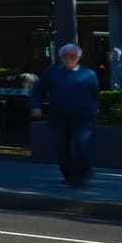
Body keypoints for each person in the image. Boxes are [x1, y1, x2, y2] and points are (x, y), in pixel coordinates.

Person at [31, 43, 101, 187]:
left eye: (72, 56)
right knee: (61, 148)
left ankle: (81, 175)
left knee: (81, 147)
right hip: (58, 117)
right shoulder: (51, 72)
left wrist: (93, 110)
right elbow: (38, 90)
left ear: (78, 58)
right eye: (64, 56)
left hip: (82, 118)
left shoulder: (88, 74)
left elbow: (95, 95)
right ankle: (69, 176)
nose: (68, 59)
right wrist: (36, 106)